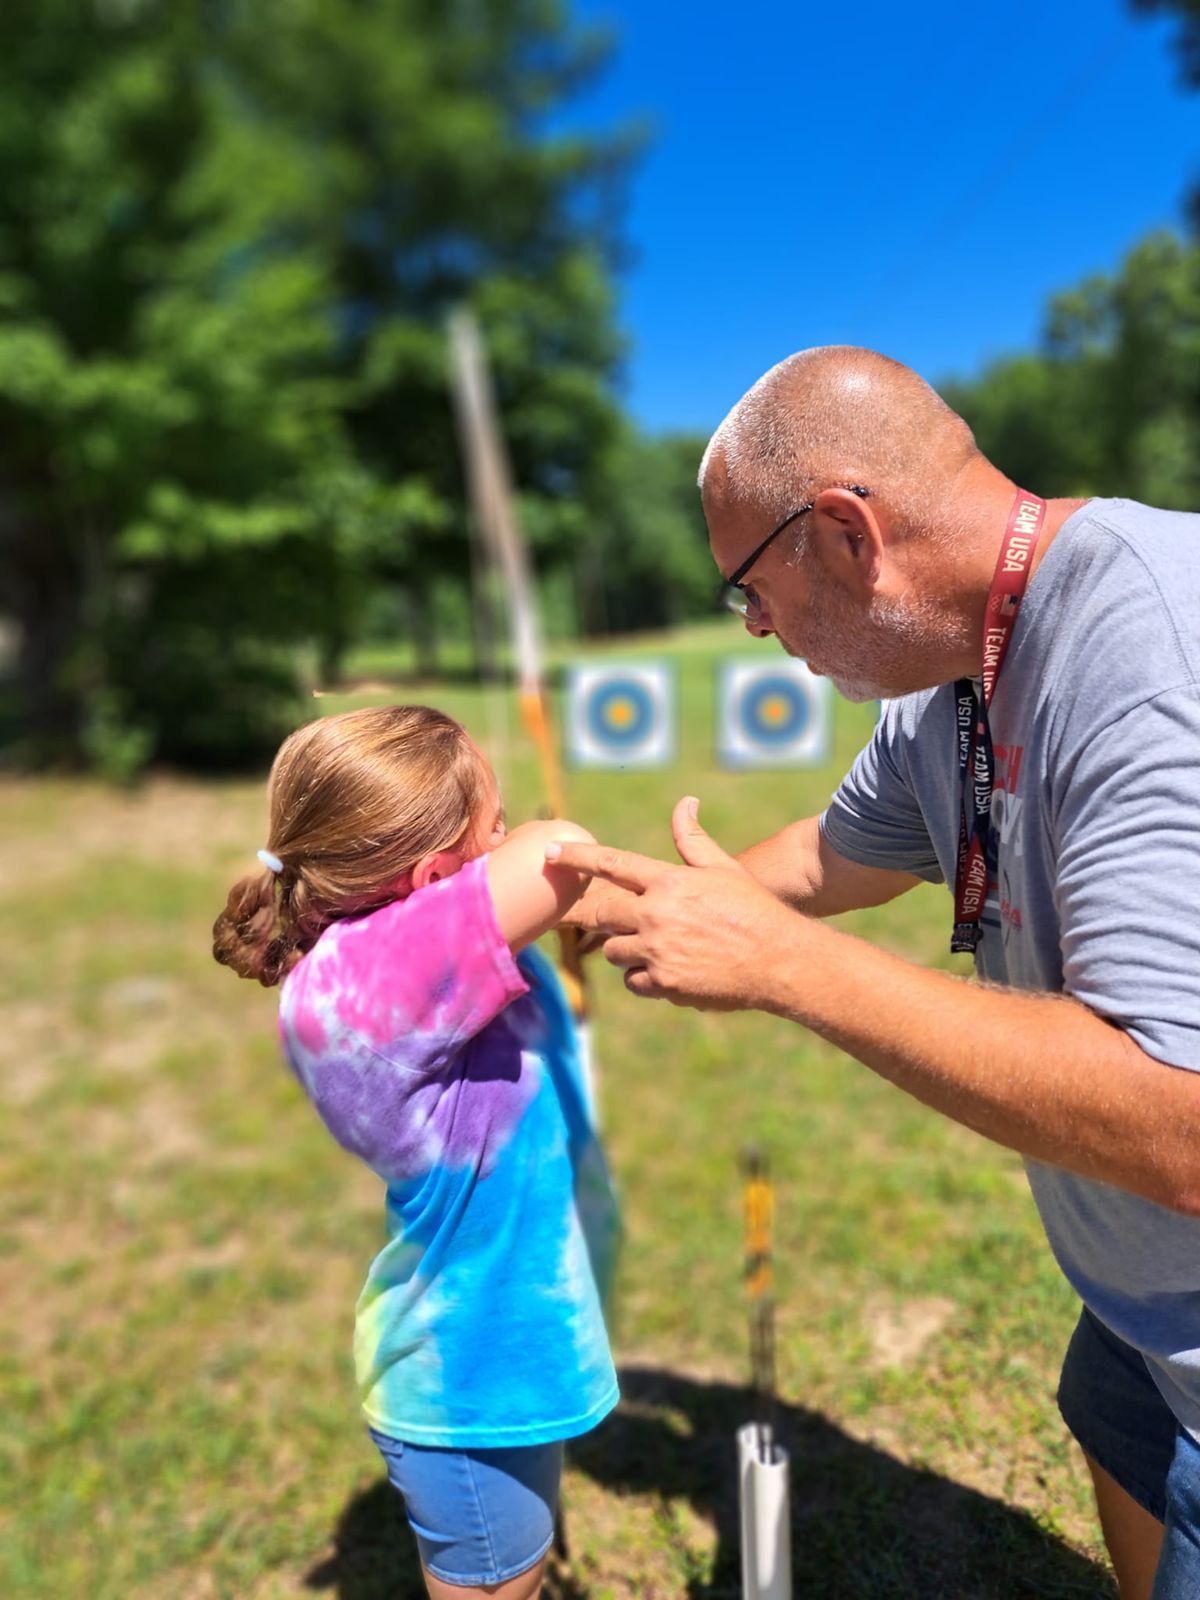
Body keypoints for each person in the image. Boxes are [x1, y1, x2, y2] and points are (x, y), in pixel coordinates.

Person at [549, 346, 1200, 1600]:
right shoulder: (950, 670)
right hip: (1145, 1307)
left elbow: (1178, 1120)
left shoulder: (1155, 656)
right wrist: (661, 897)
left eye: (750, 587)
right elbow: (835, 855)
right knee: (1109, 1406)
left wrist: (785, 968)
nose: (752, 628)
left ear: (846, 533)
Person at [212, 704, 617, 1600]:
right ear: (433, 878)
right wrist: (555, 860)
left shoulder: (386, 961)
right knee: (494, 1582)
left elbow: (523, 898)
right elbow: (557, 855)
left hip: (490, 1352)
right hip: (465, 1382)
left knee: (518, 1561)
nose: (512, 834)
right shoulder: (372, 982)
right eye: (495, 826)